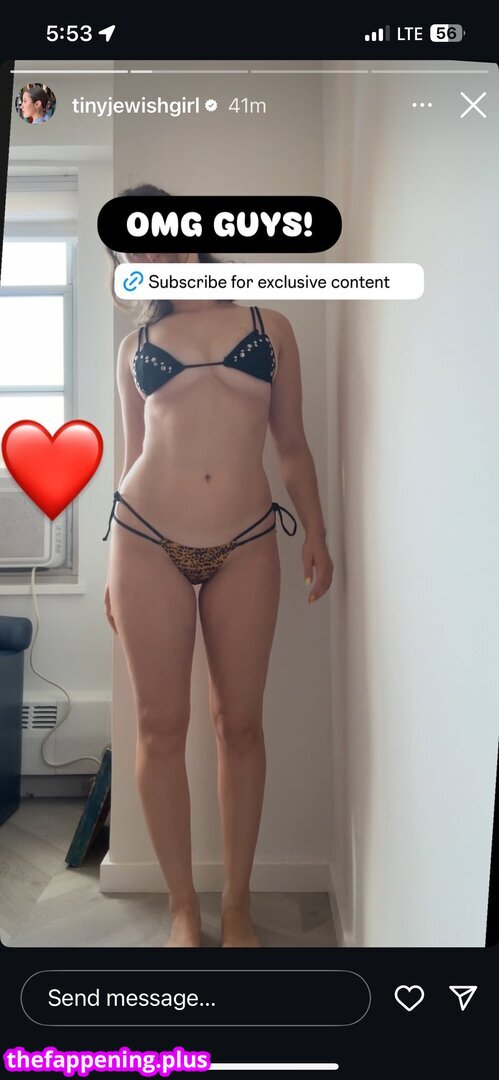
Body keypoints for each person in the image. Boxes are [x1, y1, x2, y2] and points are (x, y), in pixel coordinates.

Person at [102, 184, 334, 947]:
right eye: (134, 245)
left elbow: (290, 444)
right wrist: (109, 566)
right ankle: (181, 907)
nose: (152, 250)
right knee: (158, 727)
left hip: (246, 543)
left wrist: (316, 531)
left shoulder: (269, 326)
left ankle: (235, 905)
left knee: (239, 723)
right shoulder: (134, 349)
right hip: (143, 540)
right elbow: (132, 456)